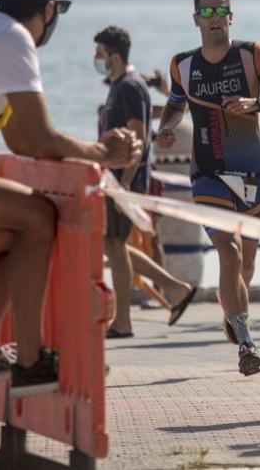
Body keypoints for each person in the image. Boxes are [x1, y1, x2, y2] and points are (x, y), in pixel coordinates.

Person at [0, 0, 140, 396]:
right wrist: (103, 153)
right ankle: (32, 360)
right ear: (49, 9)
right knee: (37, 216)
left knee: (15, 233)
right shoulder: (11, 37)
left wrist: (93, 151)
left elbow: (21, 138)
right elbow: (40, 140)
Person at [157, 0, 260, 376]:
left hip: (251, 174)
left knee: (245, 266)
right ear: (196, 19)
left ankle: (233, 313)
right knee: (230, 253)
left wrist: (259, 105)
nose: (214, 16)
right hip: (208, 176)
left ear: (231, 16)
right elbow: (173, 103)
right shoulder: (182, 65)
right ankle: (246, 343)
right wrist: (166, 128)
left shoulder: (253, 55)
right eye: (206, 11)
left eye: (221, 10)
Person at [93, 26, 196, 338]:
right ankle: (175, 289)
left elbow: (137, 138)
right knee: (113, 245)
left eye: (99, 53)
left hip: (126, 181)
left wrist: (123, 185)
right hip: (115, 180)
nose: (96, 60)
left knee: (114, 245)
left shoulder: (129, 87)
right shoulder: (121, 86)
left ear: (113, 54)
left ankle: (123, 320)